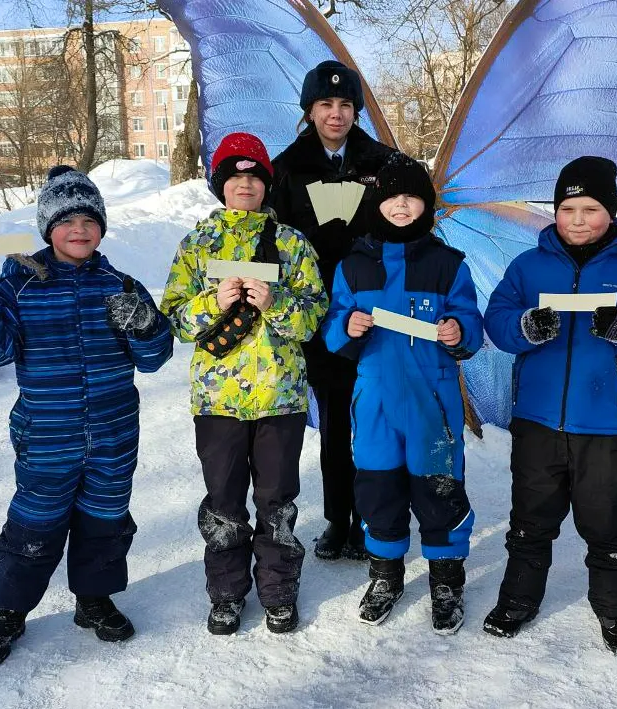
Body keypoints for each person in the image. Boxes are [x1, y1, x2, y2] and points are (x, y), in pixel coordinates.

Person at [0, 165, 174, 667]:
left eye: (90, 219)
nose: (80, 229)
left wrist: (147, 325)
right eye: (67, 221)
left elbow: (154, 359)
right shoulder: (21, 283)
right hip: (47, 434)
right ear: (47, 229)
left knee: (105, 521)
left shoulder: (119, 283)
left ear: (102, 227)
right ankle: (10, 611)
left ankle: (93, 599)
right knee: (35, 524)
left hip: (113, 434)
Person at [480, 156, 617, 652]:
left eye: (591, 208)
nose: (577, 219)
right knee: (531, 517)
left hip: (607, 422)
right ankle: (518, 600)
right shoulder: (529, 266)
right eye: (568, 208)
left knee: (606, 518)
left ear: (611, 212)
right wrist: (525, 327)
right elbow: (498, 318)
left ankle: (616, 611)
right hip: (537, 419)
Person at [159, 132, 327, 635]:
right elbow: (174, 320)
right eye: (235, 176)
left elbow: (315, 316)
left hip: (280, 396)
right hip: (218, 401)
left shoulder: (293, 244)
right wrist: (213, 302)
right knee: (224, 504)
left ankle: (277, 594)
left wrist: (277, 306)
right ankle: (227, 595)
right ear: (221, 185)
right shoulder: (197, 244)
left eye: (254, 175)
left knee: (276, 504)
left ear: (266, 184)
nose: (245, 184)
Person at [320, 153, 483, 634]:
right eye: (392, 196)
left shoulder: (446, 264)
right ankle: (386, 574)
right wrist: (347, 327)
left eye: (412, 197)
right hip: (374, 403)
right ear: (378, 202)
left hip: (432, 403)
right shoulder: (353, 265)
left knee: (439, 490)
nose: (401, 205)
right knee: (377, 490)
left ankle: (446, 579)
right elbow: (332, 330)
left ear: (426, 206)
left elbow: (471, 323)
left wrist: (459, 331)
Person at [269, 60, 395, 561]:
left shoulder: (383, 162)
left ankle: (373, 518)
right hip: (320, 319)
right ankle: (339, 521)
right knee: (337, 423)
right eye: (326, 104)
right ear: (309, 111)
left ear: (356, 111)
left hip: (377, 313)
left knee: (375, 421)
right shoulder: (286, 168)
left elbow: (406, 225)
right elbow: (269, 241)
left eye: (345, 105)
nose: (336, 114)